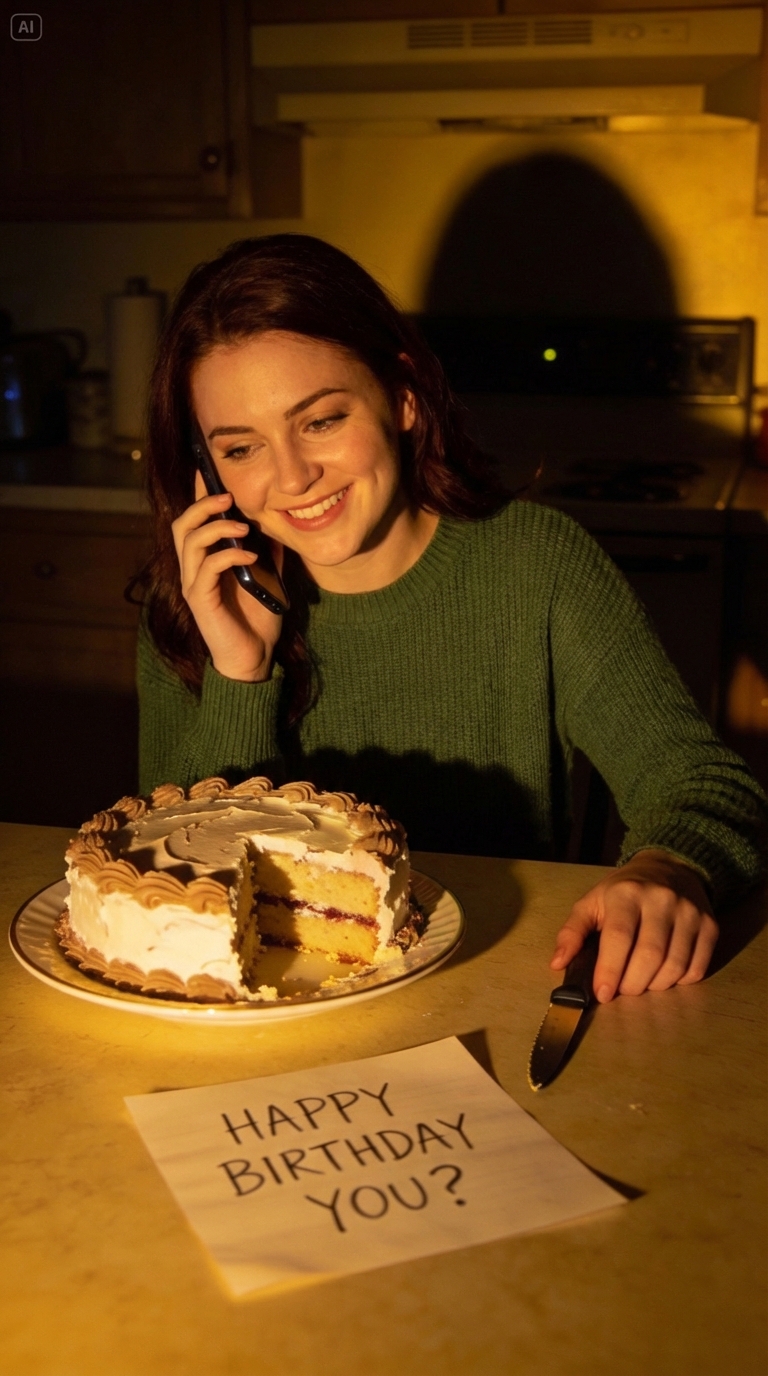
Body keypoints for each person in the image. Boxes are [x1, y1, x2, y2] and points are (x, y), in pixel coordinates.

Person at [134, 234, 766, 1005]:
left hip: (491, 990)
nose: (291, 477)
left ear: (402, 396)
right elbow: (173, 889)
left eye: (322, 421)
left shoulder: (536, 566)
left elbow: (704, 785)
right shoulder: (194, 604)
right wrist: (241, 674)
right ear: (207, 466)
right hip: (260, 1019)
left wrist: (668, 868)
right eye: (242, 447)